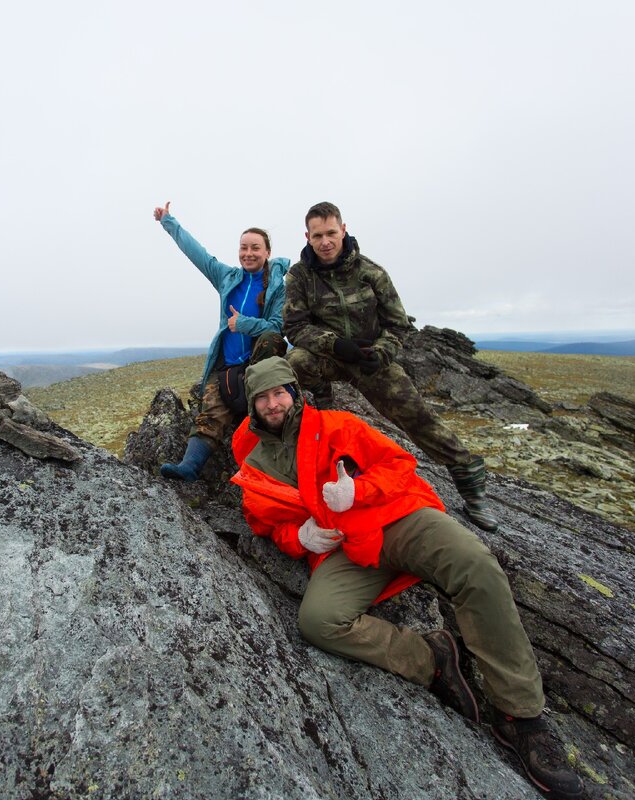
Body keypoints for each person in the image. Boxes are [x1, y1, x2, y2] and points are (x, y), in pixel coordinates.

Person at [231, 356, 585, 800]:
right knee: (318, 622)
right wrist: (298, 537)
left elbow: (399, 464)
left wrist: (357, 491)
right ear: (252, 404)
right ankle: (432, 658)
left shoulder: (338, 426)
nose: (273, 402)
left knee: (475, 565)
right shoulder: (253, 458)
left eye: (279, 391)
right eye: (262, 396)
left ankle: (520, 715)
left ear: (294, 392)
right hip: (349, 549)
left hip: (397, 519)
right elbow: (261, 521)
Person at [282, 201, 498, 531]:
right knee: (293, 365)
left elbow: (398, 326)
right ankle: (320, 406)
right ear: (307, 237)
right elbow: (295, 327)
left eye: (330, 233)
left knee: (418, 416)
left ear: (343, 229)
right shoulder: (300, 276)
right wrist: (336, 345)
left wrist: (381, 353)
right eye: (317, 235)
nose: (325, 241)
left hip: (371, 362)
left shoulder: (372, 273)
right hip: (330, 356)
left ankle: (470, 485)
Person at [154, 201, 290, 481]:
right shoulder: (227, 277)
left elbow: (277, 327)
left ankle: (270, 472)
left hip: (259, 366)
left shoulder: (278, 287)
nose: (248, 253)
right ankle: (190, 467)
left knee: (269, 340)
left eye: (255, 248)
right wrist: (169, 222)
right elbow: (197, 254)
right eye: (244, 247)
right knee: (211, 414)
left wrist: (242, 324)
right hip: (227, 367)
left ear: (267, 253)